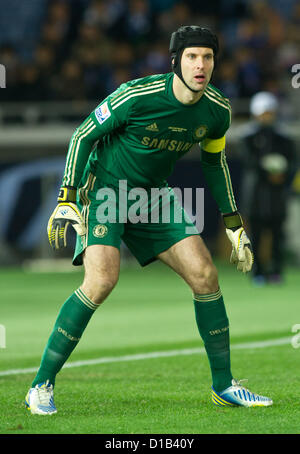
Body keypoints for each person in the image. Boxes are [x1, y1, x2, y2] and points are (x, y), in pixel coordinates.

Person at [25, 26, 272, 414]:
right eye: (192, 56)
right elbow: (83, 134)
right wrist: (67, 196)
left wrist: (234, 222)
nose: (200, 64)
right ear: (176, 61)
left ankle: (224, 385)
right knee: (102, 280)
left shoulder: (218, 111)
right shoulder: (138, 95)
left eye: (207, 57)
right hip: (105, 188)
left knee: (205, 274)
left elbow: (214, 162)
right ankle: (41, 384)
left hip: (153, 196)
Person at [241, 91, 296, 285]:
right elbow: (249, 162)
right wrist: (269, 173)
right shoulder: (248, 137)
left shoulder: (284, 137)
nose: (266, 116)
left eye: (269, 112)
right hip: (256, 194)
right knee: (255, 235)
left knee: (277, 235)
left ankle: (276, 271)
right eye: (263, 112)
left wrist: (282, 175)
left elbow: (292, 162)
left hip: (277, 194)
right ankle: (258, 272)